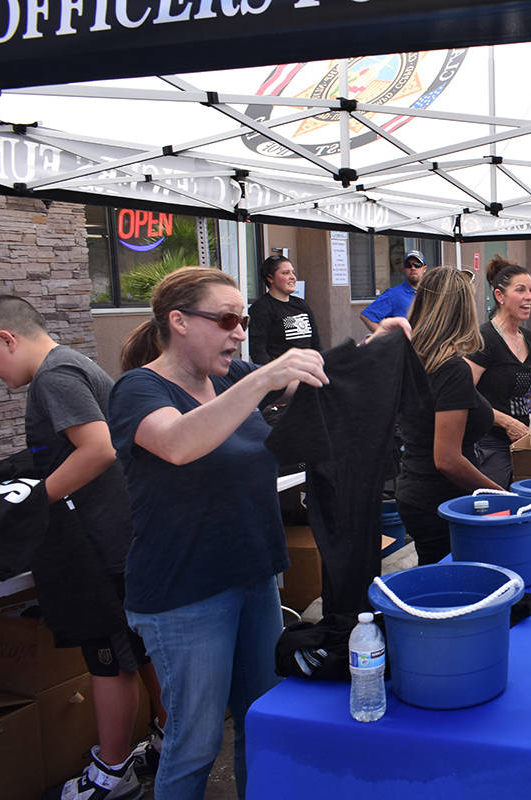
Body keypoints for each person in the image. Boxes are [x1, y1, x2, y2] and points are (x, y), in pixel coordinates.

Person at [108, 266, 330, 800]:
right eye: (228, 319)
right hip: (184, 592)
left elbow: (310, 383)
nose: (239, 332)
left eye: (244, 320)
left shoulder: (229, 378)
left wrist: (374, 347)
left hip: (253, 576)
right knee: (196, 741)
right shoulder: (139, 389)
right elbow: (179, 444)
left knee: (260, 721)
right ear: (179, 321)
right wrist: (262, 380)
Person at [0, 295, 167, 800]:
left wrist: (32, 501)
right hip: (119, 539)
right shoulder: (71, 366)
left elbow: (97, 448)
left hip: (100, 546)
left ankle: (112, 775)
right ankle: (170, 743)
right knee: (138, 651)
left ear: (6, 338)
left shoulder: (55, 376)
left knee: (109, 659)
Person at [396, 266, 502, 563]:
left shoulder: (411, 357)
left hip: (415, 492)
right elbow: (447, 459)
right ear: (462, 309)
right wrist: (500, 494)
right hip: (439, 501)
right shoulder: (451, 369)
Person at [468, 256, 531, 487]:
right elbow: (464, 392)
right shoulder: (484, 338)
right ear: (499, 296)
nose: (529, 297)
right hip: (488, 446)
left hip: (522, 445)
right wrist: (507, 422)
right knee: (496, 507)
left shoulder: (528, 338)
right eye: (521, 290)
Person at [247, 255, 320, 365]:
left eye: (293, 273)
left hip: (308, 371)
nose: (293, 277)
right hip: (283, 375)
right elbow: (258, 351)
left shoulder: (301, 305)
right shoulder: (261, 308)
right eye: (286, 273)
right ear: (270, 278)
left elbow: (316, 343)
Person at [360, 249, 427, 332]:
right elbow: (366, 316)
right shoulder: (393, 294)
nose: (413, 268)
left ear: (424, 268)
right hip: (405, 344)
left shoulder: (431, 293)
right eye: (408, 265)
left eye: (417, 264)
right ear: (404, 269)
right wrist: (387, 339)